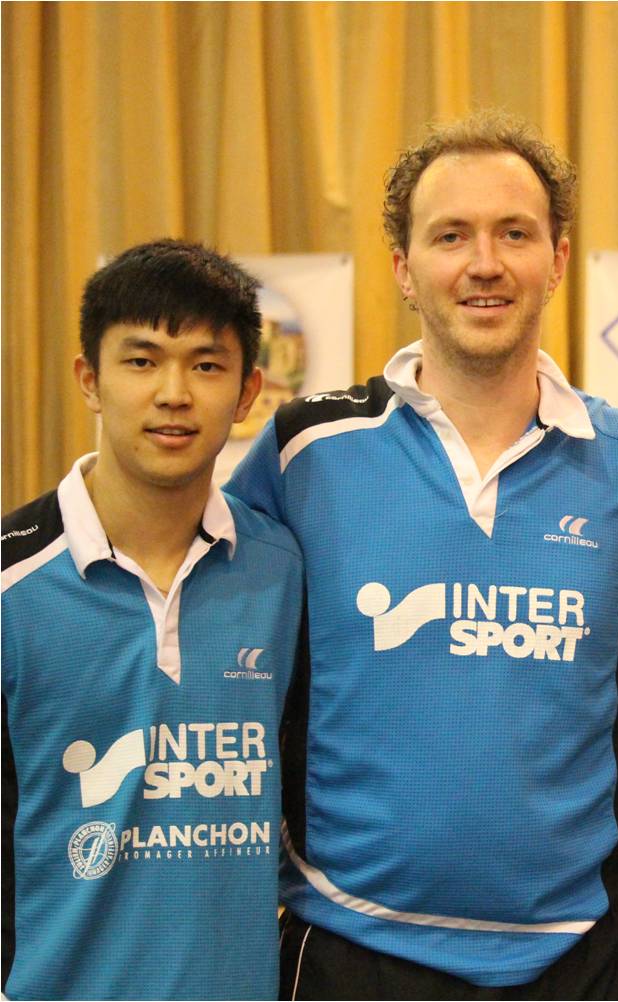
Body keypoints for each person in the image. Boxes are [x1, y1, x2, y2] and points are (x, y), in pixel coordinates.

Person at [226, 110, 618, 999]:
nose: (485, 262)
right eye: (450, 236)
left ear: (557, 258)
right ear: (403, 267)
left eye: (515, 233)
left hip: (581, 963)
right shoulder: (303, 451)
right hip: (354, 955)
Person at [2, 240, 302, 999]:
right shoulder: (10, 584)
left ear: (249, 391)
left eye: (206, 365)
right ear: (90, 379)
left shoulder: (286, 572)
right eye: (141, 361)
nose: (174, 393)